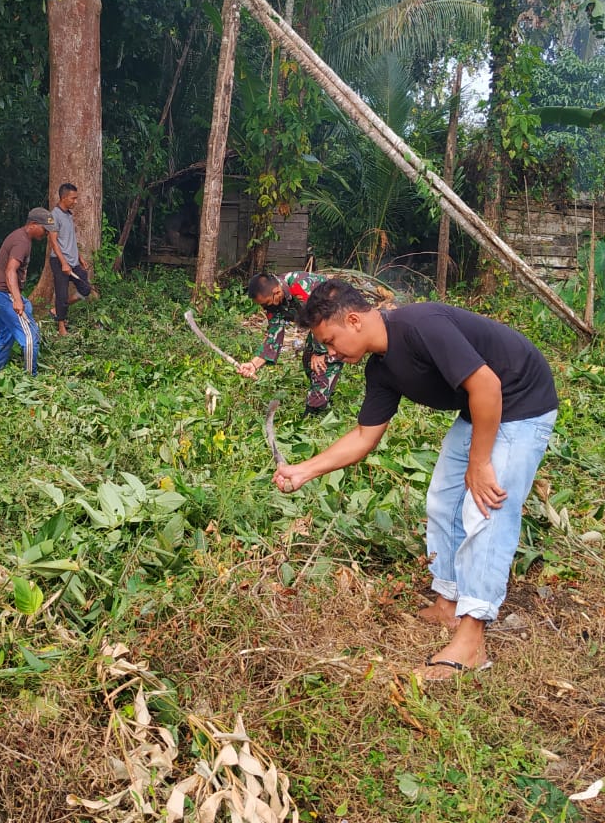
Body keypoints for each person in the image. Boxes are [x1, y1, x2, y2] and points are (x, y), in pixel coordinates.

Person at [272, 280, 557, 682]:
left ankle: (472, 637)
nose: (330, 353)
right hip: (480, 408)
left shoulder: (422, 325)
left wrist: (479, 463)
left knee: (487, 506)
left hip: (521, 400)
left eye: (330, 340)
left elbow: (488, 384)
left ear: (353, 320)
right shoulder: (382, 368)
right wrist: (303, 470)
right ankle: (448, 601)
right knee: (443, 498)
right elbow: (364, 437)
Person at [236, 271, 344, 416]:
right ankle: (323, 392)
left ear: (277, 291)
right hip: (318, 327)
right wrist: (254, 364)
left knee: (322, 364)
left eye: (267, 303)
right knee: (308, 360)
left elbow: (322, 321)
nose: (267, 307)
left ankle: (314, 412)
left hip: (338, 321)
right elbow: (274, 335)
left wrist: (320, 353)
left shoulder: (301, 286)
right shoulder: (273, 303)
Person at [0, 208, 55, 376]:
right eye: (44, 229)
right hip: (5, 294)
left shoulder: (21, 237)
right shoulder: (21, 242)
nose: (46, 233)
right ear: (33, 224)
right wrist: (17, 300)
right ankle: (30, 379)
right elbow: (10, 271)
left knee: (7, 335)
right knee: (30, 337)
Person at [47, 182, 96, 336]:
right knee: (61, 294)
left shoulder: (68, 214)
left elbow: (70, 239)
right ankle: (62, 327)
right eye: (73, 198)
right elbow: (53, 242)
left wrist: (79, 257)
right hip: (59, 262)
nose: (76, 201)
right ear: (63, 198)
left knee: (85, 288)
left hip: (73, 261)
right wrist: (64, 263)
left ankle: (58, 309)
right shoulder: (53, 216)